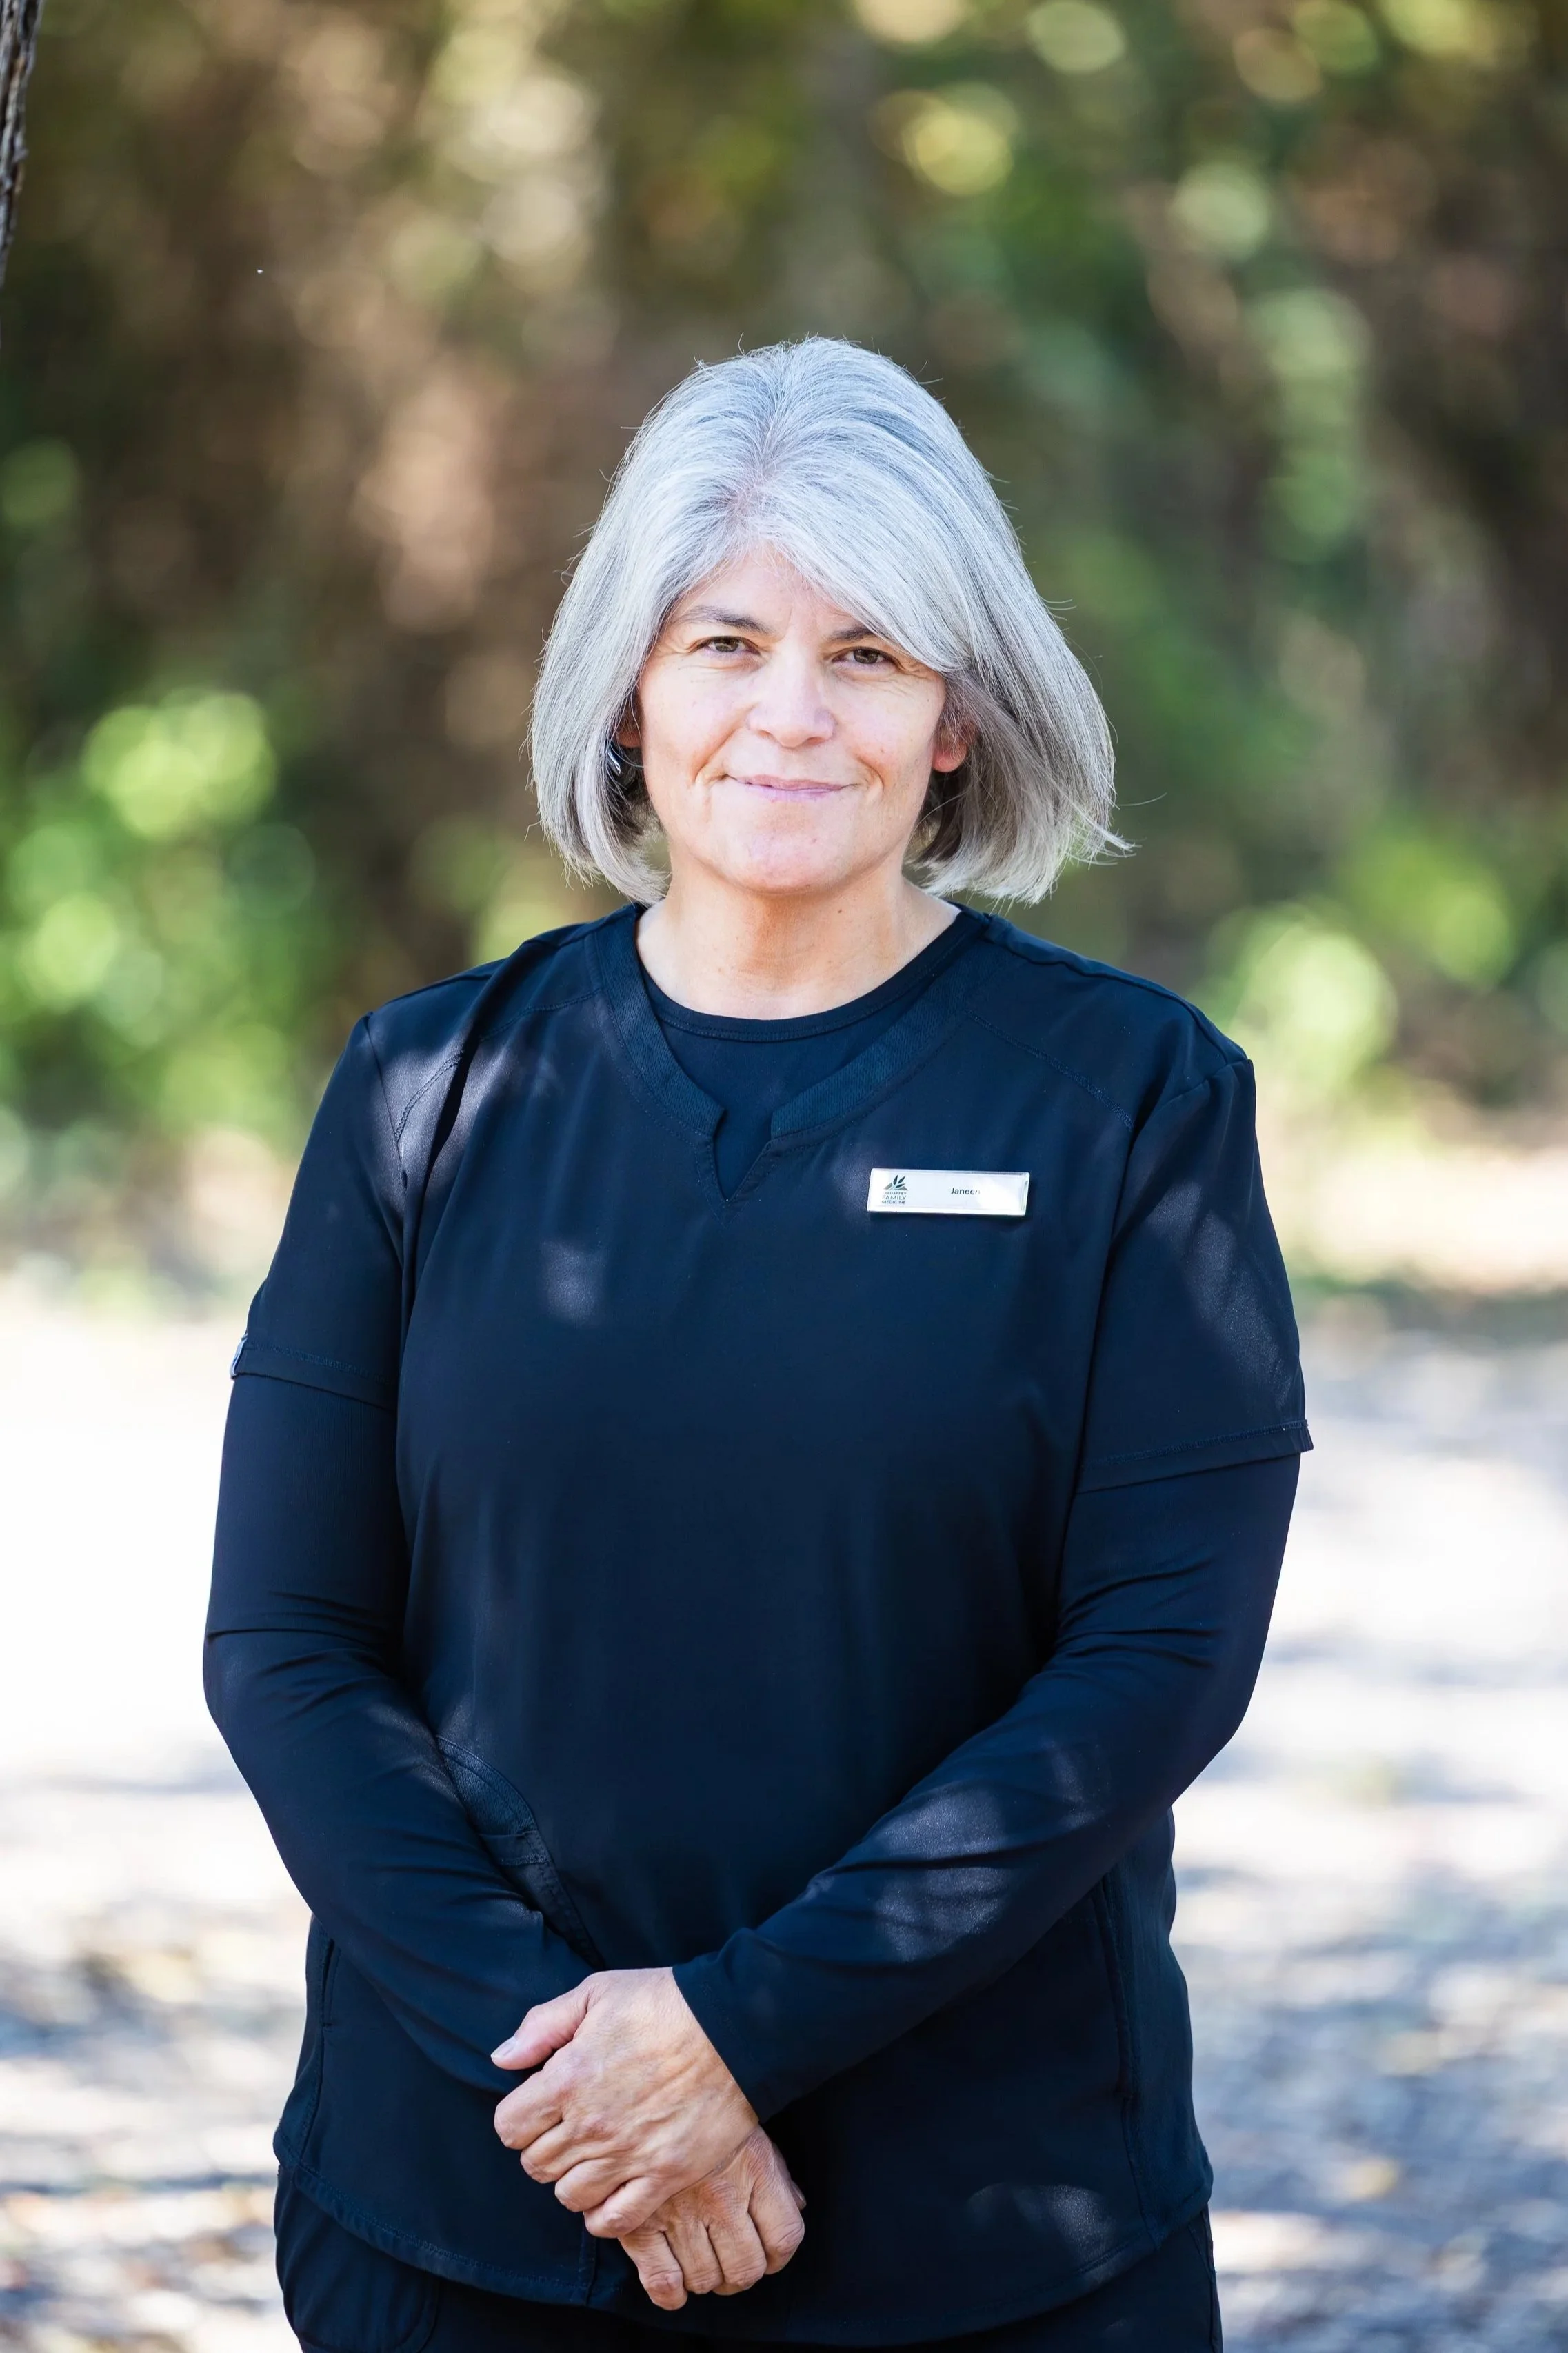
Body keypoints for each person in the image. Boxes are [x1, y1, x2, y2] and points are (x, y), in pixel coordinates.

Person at [206, 337, 1309, 2353]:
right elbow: (286, 1645)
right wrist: (588, 2085)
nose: (788, 714)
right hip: (468, 2200)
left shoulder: (1132, 1100)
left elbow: (1158, 1661)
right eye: (726, 641)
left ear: (960, 717)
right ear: (632, 688)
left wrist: (730, 2036)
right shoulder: (424, 1088)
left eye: (871, 654)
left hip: (996, 2235)